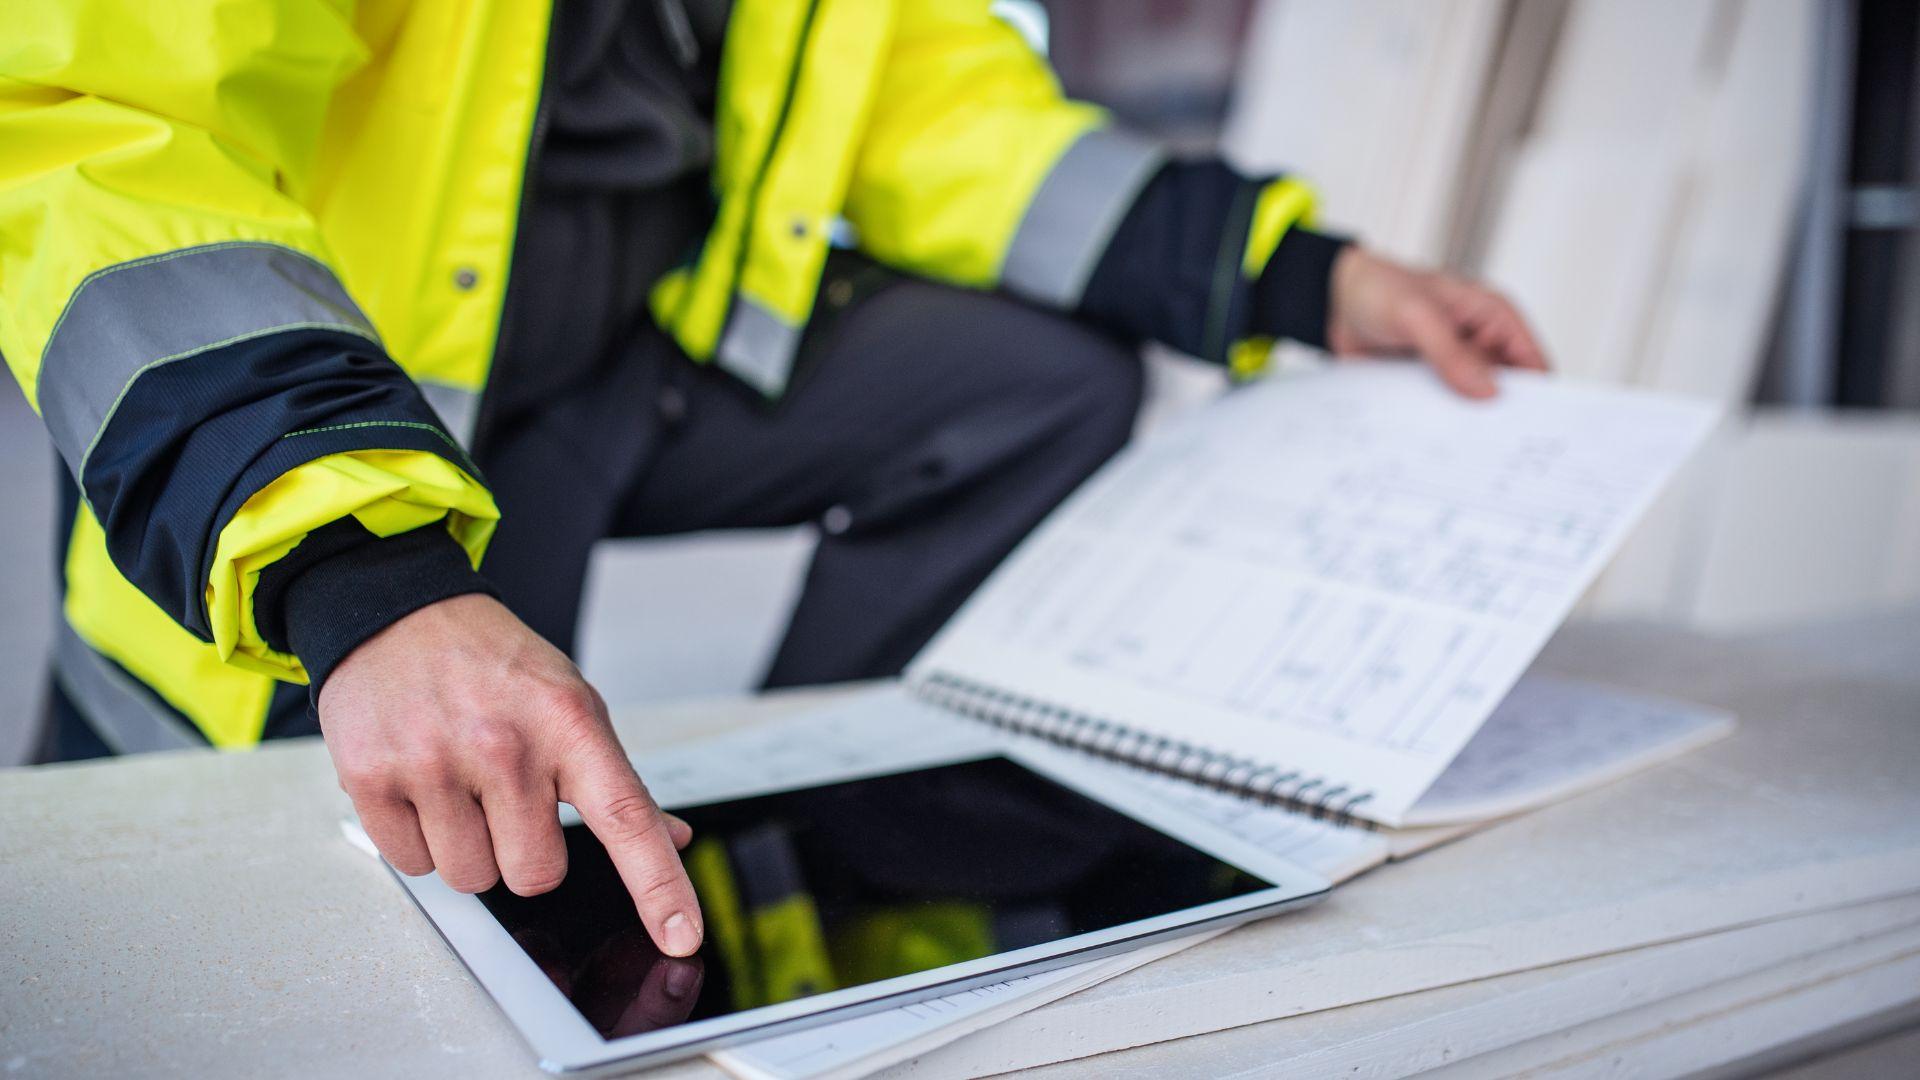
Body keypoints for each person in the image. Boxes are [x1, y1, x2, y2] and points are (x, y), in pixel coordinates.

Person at [1, 0, 1545, 960]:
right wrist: (360, 564)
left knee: (1033, 388)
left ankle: (833, 877)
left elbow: (923, 96)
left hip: (632, 348)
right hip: (334, 388)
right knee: (247, 927)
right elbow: (88, 117)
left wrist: (1292, 272)